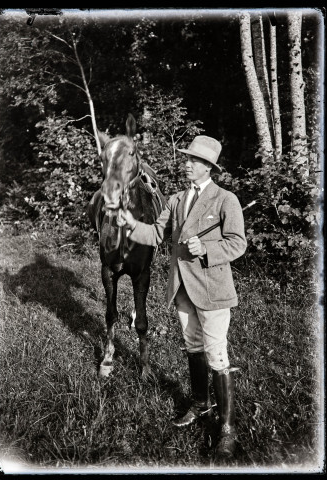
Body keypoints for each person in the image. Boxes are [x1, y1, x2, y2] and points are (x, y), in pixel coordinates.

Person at [118, 135, 247, 459]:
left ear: (207, 167)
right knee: (193, 347)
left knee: (216, 355)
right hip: (182, 289)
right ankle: (201, 404)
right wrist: (131, 224)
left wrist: (207, 248)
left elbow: (238, 243)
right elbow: (155, 234)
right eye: (187, 158)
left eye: (193, 160)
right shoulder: (176, 200)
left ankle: (227, 429)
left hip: (213, 291)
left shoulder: (225, 199)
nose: (186, 163)